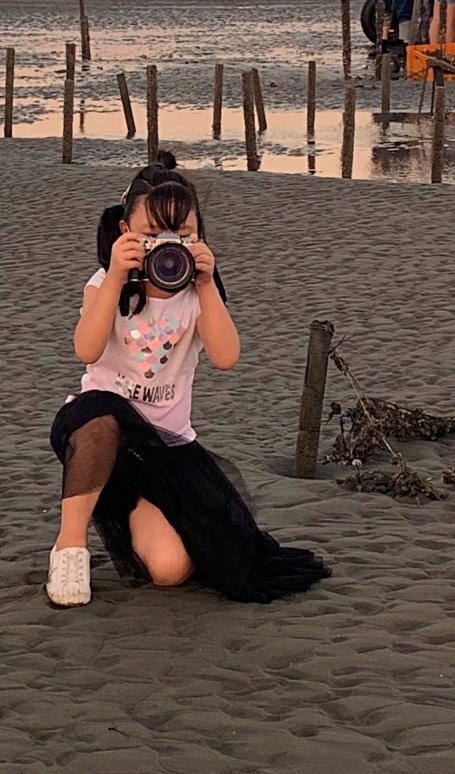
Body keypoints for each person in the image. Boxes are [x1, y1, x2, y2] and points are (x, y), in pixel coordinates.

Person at [46, 156, 332, 607]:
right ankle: (69, 546)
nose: (167, 245)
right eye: (151, 234)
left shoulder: (200, 294)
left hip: (168, 450)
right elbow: (87, 350)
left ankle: (139, 514)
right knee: (102, 415)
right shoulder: (105, 284)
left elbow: (226, 356)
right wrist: (119, 274)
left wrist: (204, 284)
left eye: (181, 235)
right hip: (101, 437)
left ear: (198, 235)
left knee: (171, 571)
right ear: (125, 232)